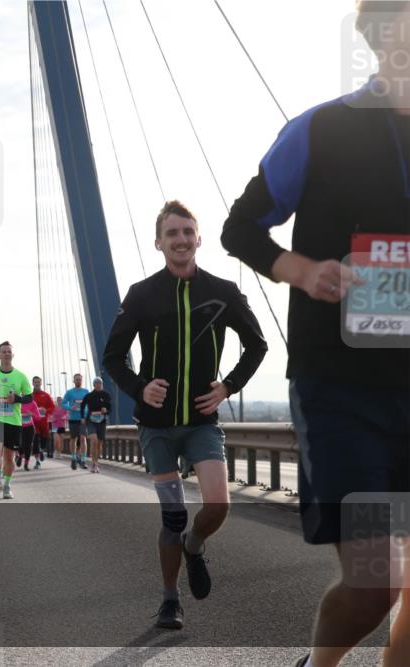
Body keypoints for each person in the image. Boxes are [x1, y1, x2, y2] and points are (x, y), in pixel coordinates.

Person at [222, 5, 409, 663]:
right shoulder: (321, 129)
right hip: (343, 389)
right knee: (375, 582)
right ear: (379, 35)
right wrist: (301, 270)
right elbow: (240, 227)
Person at [103, 199, 267, 632]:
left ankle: (195, 546)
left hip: (201, 421)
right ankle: (170, 600)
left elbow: (257, 345)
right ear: (158, 242)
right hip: (156, 425)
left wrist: (228, 386)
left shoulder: (223, 291)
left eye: (187, 232)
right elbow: (113, 357)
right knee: (173, 517)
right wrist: (140, 387)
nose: (181, 239)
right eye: (172, 233)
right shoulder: (141, 294)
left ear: (199, 239)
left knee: (218, 504)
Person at [0, 341, 33, 500]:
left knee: (9, 458)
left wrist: (17, 398)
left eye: (9, 352)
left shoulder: (21, 376)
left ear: (13, 355)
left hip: (13, 421)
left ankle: (7, 486)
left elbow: (29, 397)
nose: (6, 354)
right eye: (3, 352)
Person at [79, 377, 111, 473]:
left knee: (99, 445)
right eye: (96, 383)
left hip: (101, 421)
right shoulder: (89, 395)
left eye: (100, 383)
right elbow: (82, 406)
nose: (98, 385)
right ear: (94, 385)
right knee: (94, 441)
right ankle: (93, 464)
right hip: (91, 421)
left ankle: (96, 463)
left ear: (102, 384)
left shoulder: (106, 395)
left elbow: (110, 409)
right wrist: (82, 417)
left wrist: (106, 411)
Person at [61, 373, 90, 470]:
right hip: (73, 419)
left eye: (80, 379)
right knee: (73, 439)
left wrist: (87, 414)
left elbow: (89, 404)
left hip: (83, 419)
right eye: (76, 379)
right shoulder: (70, 392)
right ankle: (73, 458)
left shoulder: (86, 391)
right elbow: (63, 403)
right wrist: (70, 408)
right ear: (74, 381)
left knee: (83, 438)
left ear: (82, 380)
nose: (78, 381)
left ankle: (83, 460)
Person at [31, 376, 56, 462]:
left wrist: (46, 410)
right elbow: (24, 407)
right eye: (35, 382)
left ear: (41, 383)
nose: (37, 384)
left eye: (38, 382)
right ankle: (37, 460)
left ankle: (42, 450)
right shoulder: (30, 396)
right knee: (35, 440)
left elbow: (52, 407)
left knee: (44, 440)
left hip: (44, 422)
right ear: (33, 383)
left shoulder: (46, 395)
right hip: (33, 422)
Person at [18, 399, 40, 471]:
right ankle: (20, 456)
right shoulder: (18, 401)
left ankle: (26, 464)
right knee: (21, 443)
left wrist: (31, 414)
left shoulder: (33, 403)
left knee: (29, 446)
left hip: (30, 427)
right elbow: (13, 414)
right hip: (20, 427)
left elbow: (38, 416)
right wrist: (22, 415)